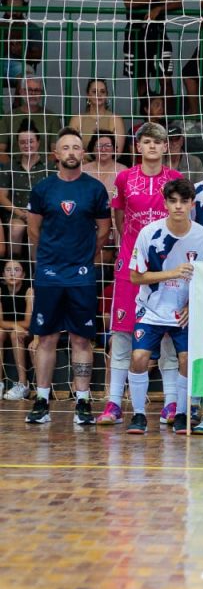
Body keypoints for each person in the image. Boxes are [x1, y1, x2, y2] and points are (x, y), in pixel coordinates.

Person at [96, 122, 182, 427]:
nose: (153, 147)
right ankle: (114, 403)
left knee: (172, 336)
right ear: (138, 146)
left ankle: (172, 404)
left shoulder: (175, 179)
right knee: (121, 335)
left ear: (165, 147)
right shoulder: (124, 178)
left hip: (168, 266)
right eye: (147, 142)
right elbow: (119, 218)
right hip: (130, 265)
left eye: (158, 142)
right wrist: (132, 249)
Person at [24, 128, 111, 425]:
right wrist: (52, 256)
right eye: (66, 147)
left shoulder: (95, 189)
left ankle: (83, 401)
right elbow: (34, 229)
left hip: (82, 274)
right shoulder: (43, 189)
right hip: (49, 273)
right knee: (46, 337)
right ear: (56, 154)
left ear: (82, 154)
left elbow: (104, 231)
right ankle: (42, 399)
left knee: (81, 338)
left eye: (76, 147)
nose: (72, 152)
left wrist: (82, 256)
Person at [126, 178, 203, 436]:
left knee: (187, 360)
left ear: (192, 204)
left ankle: (182, 414)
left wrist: (191, 304)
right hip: (151, 309)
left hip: (183, 312)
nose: (178, 207)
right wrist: (171, 273)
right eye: (172, 201)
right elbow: (135, 277)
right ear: (164, 204)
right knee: (139, 358)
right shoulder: (149, 233)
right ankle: (139, 414)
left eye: (184, 202)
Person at [121, 0, 183, 103]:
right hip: (135, 33)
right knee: (141, 80)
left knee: (166, 79)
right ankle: (147, 117)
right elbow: (128, 2)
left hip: (158, 33)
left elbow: (178, 2)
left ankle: (166, 121)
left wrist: (159, 8)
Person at [0, 124, 47, 260]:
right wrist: (21, 214)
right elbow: (1, 197)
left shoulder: (49, 168)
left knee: (37, 230)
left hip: (42, 215)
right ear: (18, 145)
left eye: (30, 141)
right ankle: (14, 270)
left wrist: (35, 215)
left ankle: (35, 274)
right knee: (16, 229)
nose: (27, 145)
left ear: (38, 142)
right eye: (22, 142)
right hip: (16, 214)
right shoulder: (9, 167)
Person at [0, 77, 62, 165]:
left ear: (42, 94)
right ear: (21, 92)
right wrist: (12, 168)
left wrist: (42, 168)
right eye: (29, 90)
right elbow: (1, 150)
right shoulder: (9, 117)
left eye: (37, 90)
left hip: (44, 169)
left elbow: (56, 151)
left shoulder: (52, 117)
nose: (33, 94)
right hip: (15, 170)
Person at [0, 259, 33, 400]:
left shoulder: (29, 290)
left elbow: (28, 322)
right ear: (2, 274)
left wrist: (15, 327)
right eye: (8, 270)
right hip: (7, 328)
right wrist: (14, 325)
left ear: (24, 275)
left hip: (29, 331)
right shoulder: (1, 291)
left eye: (17, 269)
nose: (12, 273)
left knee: (16, 334)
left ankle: (23, 384)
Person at [68, 78, 126, 157]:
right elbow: (71, 150)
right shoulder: (77, 119)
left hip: (108, 166)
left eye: (102, 91)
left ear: (106, 96)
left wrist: (86, 156)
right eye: (94, 92)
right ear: (88, 95)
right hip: (82, 166)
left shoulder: (116, 119)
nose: (99, 95)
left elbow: (117, 153)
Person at [0, 0, 43, 83]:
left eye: (18, 8)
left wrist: (22, 53)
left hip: (20, 65)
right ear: (4, 6)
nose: (14, 11)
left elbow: (38, 57)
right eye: (11, 7)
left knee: (26, 77)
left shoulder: (31, 27)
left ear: (24, 6)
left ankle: (19, 98)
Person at [82, 131, 128, 200]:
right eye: (99, 145)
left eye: (108, 145)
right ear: (92, 149)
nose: (103, 149)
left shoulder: (123, 171)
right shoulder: (83, 170)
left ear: (114, 149)